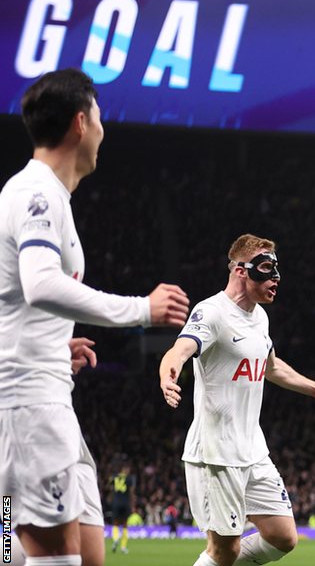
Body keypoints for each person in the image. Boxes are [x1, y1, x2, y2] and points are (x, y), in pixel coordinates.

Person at [0, 68, 190, 566]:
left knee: (87, 554)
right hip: (29, 406)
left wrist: (55, 346)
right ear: (80, 123)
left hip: (47, 396)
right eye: (101, 118)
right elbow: (40, 285)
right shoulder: (36, 195)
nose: (105, 130)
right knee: (52, 555)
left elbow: (13, 299)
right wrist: (140, 311)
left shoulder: (46, 198)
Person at [159, 234, 315, 566]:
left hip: (252, 449)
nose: (276, 279)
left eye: (277, 270)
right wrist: (170, 372)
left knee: (283, 537)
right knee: (225, 551)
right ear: (240, 270)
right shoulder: (212, 312)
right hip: (217, 453)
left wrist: (314, 388)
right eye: (266, 269)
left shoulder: (259, 317)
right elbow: (181, 349)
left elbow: (271, 365)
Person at [107, 465, 135, 554]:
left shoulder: (114, 477)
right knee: (125, 524)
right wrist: (132, 504)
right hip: (125, 503)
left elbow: (109, 486)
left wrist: (111, 496)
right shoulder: (129, 478)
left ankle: (115, 539)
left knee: (115, 523)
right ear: (125, 469)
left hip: (116, 502)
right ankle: (123, 547)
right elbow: (131, 492)